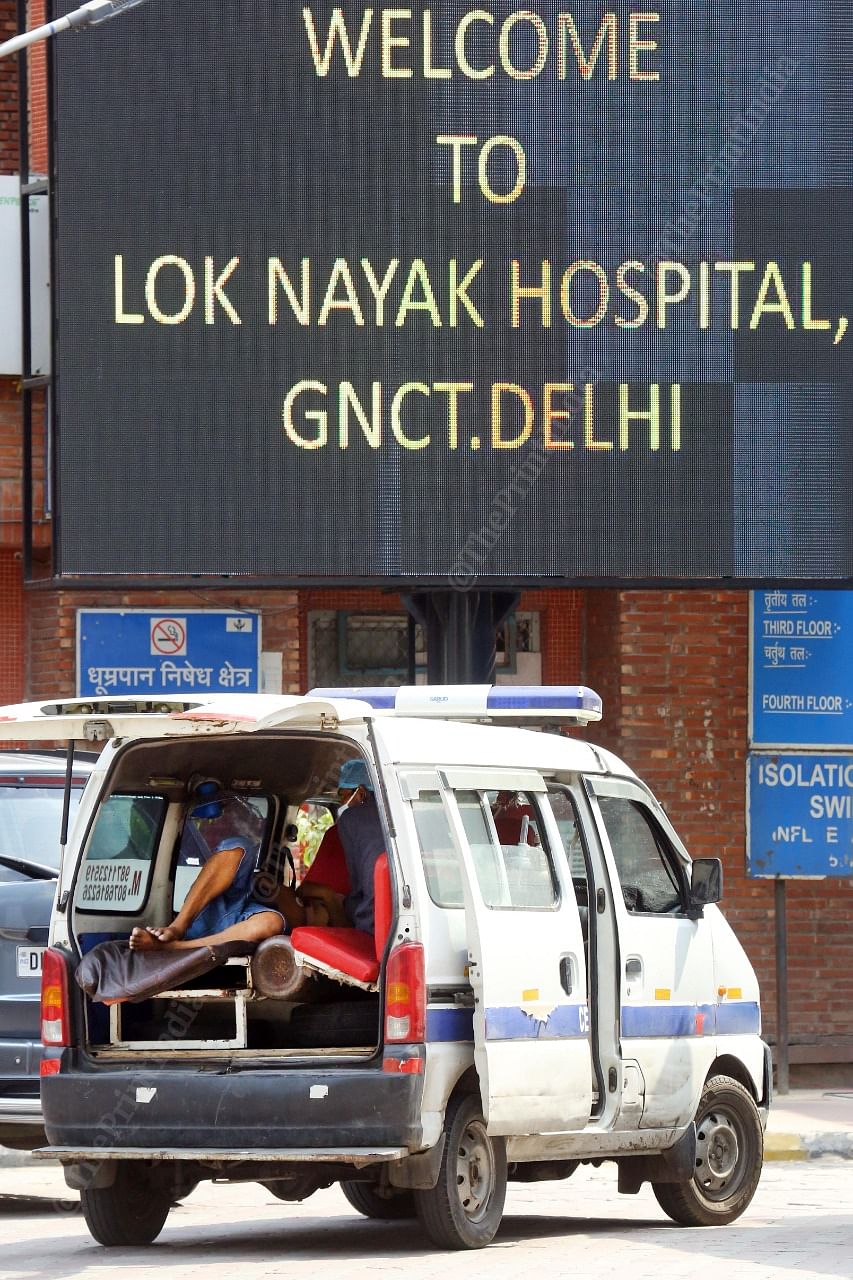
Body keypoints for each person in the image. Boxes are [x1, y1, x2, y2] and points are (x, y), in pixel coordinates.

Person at [129, 781, 285, 952]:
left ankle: (176, 947)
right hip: (217, 911)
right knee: (241, 847)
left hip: (243, 919)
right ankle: (178, 927)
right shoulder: (237, 848)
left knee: (272, 922)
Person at [275, 758, 386, 934]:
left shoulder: (351, 822)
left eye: (343, 795)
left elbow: (314, 891)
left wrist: (329, 897)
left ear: (362, 793)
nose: (342, 802)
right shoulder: (397, 828)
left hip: (359, 923)